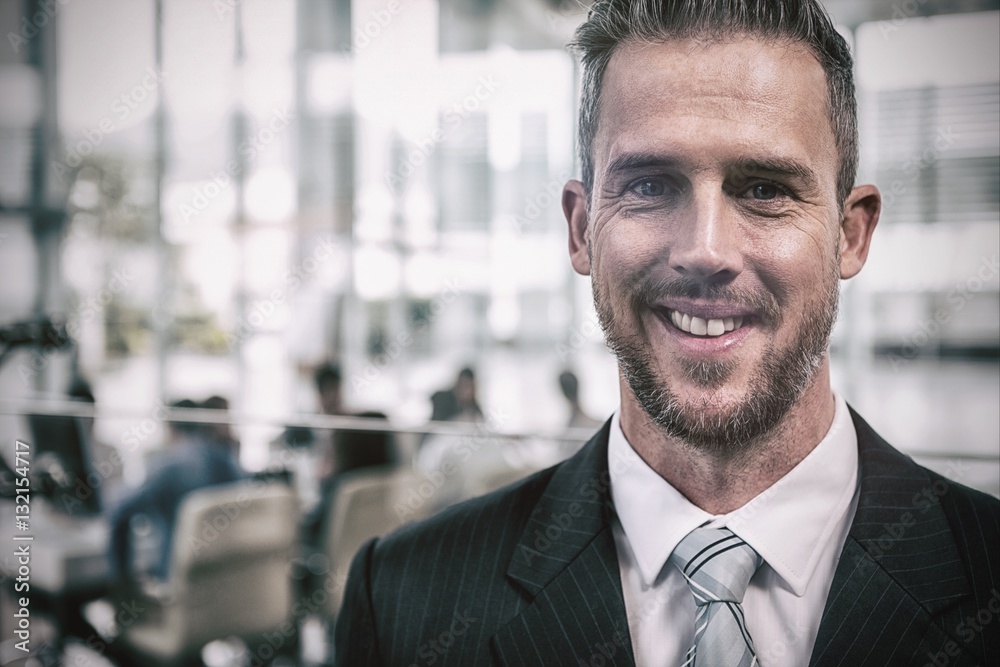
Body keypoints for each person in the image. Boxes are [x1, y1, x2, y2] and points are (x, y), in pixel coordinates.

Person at [334, 2, 999, 666]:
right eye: (650, 184)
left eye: (765, 188)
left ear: (851, 235)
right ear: (580, 228)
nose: (706, 249)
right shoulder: (404, 599)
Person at [107, 399, 244, 586]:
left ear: (169, 428)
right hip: (225, 581)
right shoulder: (226, 461)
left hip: (177, 582)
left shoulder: (167, 466)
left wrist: (123, 585)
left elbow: (118, 511)